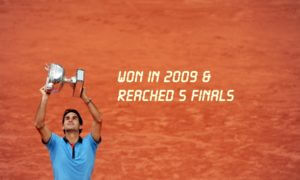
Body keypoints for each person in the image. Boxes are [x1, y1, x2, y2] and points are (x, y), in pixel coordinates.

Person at [34, 85, 102, 180]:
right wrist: (45, 98)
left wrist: (84, 97)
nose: (70, 120)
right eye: (67, 118)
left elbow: (98, 120)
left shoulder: (90, 142)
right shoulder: (55, 143)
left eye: (74, 118)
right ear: (63, 126)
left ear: (80, 126)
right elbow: (39, 125)